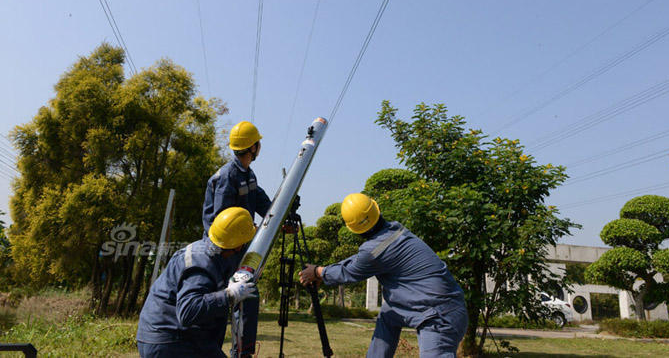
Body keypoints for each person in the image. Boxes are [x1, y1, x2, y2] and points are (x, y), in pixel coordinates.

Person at [299, 193, 468, 358]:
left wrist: (317, 271)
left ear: (355, 229)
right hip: (443, 306)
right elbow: (363, 258)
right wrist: (323, 272)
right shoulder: (395, 230)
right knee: (388, 313)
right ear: (376, 210)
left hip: (440, 317)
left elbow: (352, 270)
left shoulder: (373, 251)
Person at [137, 207, 258, 357]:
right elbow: (188, 312)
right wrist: (229, 295)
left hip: (173, 336)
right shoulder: (201, 263)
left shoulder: (210, 253)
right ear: (239, 245)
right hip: (169, 341)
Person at [201, 120, 272, 357]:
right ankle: (212, 351)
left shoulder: (247, 175)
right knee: (224, 302)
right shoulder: (226, 177)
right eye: (258, 143)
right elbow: (222, 220)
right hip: (221, 252)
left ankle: (243, 353)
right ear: (252, 147)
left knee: (248, 296)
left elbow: (262, 201)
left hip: (238, 248)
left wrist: (283, 212)